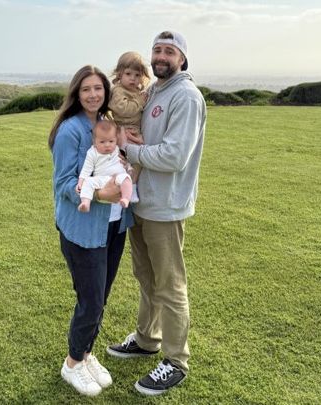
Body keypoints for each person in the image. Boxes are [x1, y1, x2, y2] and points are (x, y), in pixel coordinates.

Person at [106, 31, 207, 396]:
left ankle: (176, 361)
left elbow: (174, 156)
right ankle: (148, 339)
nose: (161, 56)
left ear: (182, 58)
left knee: (170, 283)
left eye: (169, 51)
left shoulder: (186, 96)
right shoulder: (154, 92)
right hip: (141, 202)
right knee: (146, 276)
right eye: (157, 50)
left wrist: (129, 151)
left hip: (165, 206)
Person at [49, 65, 133, 396]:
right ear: (77, 93)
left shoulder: (107, 123)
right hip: (84, 230)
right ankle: (72, 364)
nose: (93, 94)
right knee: (91, 300)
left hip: (114, 226)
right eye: (86, 89)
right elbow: (63, 184)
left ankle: (85, 354)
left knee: (102, 296)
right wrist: (98, 195)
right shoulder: (70, 131)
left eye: (98, 88)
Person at [108, 51, 151, 203]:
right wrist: (140, 102)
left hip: (134, 132)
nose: (133, 78)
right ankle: (127, 191)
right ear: (119, 74)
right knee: (127, 163)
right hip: (125, 131)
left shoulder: (136, 91)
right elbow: (123, 109)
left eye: (137, 75)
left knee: (135, 163)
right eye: (128, 74)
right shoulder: (118, 90)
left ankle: (130, 188)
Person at [77, 120, 132, 212]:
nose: (107, 145)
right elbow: (86, 169)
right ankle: (85, 203)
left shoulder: (118, 150)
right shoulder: (92, 152)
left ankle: (126, 199)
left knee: (126, 178)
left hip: (118, 178)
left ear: (116, 140)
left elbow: (127, 162)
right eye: (102, 142)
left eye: (111, 141)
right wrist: (80, 181)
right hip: (101, 180)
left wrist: (129, 168)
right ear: (94, 142)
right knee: (87, 182)